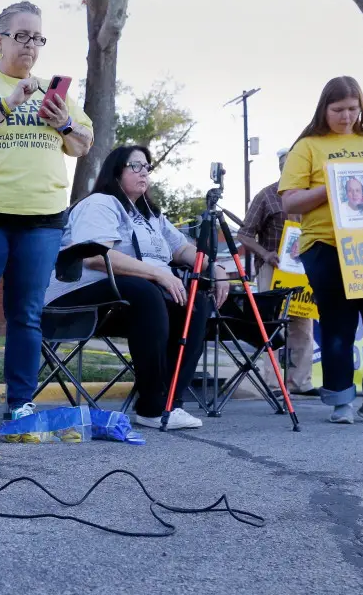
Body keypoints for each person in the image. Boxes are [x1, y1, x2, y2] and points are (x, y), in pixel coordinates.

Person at [0, 0, 95, 430]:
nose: (31, 45)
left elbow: (82, 144)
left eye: (38, 38)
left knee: (27, 314)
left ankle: (20, 406)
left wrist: (64, 123)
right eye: (21, 36)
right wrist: (9, 103)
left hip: (42, 218)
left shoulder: (55, 89)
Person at [44, 145, 229, 430]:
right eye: (136, 166)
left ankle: (170, 404)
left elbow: (181, 249)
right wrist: (157, 274)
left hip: (128, 301)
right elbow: (94, 256)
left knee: (196, 302)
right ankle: (152, 407)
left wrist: (214, 268)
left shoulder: (151, 216)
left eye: (147, 167)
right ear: (115, 172)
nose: (144, 172)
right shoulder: (101, 204)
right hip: (76, 297)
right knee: (146, 290)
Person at [279, 75, 363, 425]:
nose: (346, 116)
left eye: (353, 109)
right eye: (338, 109)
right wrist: (333, 186)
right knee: (339, 327)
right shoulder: (307, 146)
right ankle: (341, 402)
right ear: (324, 108)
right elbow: (289, 202)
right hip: (325, 245)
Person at [235, 147, 317, 396]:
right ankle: (273, 384)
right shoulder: (266, 196)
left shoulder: (311, 194)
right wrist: (265, 254)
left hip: (304, 270)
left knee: (303, 324)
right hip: (273, 269)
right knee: (272, 324)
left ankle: (301, 383)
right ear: (280, 166)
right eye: (285, 163)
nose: (289, 167)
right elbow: (244, 234)